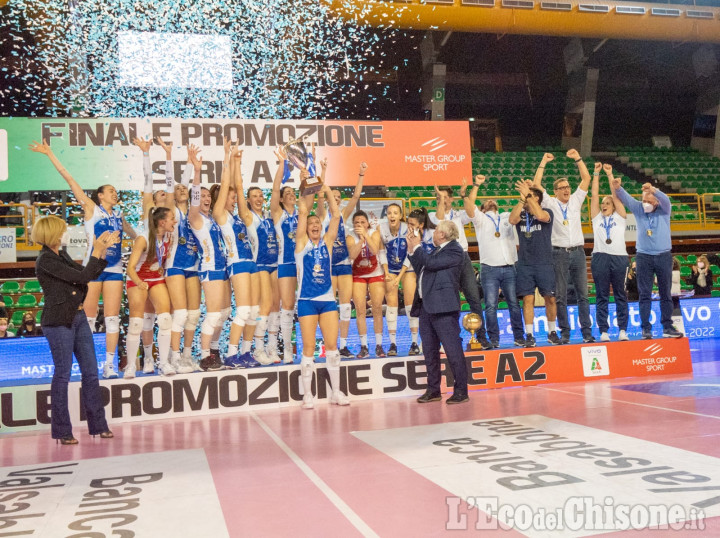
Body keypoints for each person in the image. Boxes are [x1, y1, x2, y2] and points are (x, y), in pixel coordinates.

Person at [30, 139, 137, 379]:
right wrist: (49, 154)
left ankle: (109, 365)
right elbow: (69, 179)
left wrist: (143, 241)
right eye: (110, 190)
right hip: (93, 268)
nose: (114, 193)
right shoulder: (91, 209)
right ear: (100, 195)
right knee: (86, 319)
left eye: (115, 191)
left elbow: (135, 235)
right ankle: (86, 365)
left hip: (115, 267)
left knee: (112, 319)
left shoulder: (119, 214)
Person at [33, 215, 115, 445]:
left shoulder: (62, 254)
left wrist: (102, 252)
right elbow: (81, 276)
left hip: (78, 317)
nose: (66, 233)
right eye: (63, 230)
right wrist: (96, 251)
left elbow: (86, 276)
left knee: (90, 372)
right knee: (63, 374)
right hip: (58, 321)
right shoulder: (46, 259)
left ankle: (99, 426)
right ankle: (62, 431)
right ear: (53, 233)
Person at [295, 185, 349, 409]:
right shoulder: (301, 243)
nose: (315, 225)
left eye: (318, 223)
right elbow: (301, 211)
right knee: (308, 348)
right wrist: (305, 188)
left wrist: (326, 190)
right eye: (311, 223)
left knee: (332, 347)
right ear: (306, 228)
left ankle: (336, 392)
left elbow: (336, 215)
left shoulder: (327, 243)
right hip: (307, 301)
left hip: (327, 300)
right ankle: (307, 395)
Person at [533, 150, 593, 344]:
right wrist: (543, 161)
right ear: (556, 191)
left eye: (567, 186)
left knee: (583, 294)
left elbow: (586, 178)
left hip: (578, 252)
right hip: (558, 253)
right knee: (560, 295)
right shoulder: (549, 202)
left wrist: (578, 158)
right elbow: (536, 185)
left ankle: (586, 333)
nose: (567, 190)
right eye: (562, 187)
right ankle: (565, 333)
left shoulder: (576, 199)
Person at [612, 177, 683, 338]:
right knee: (644, 293)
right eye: (643, 200)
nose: (645, 203)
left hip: (663, 255)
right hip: (644, 256)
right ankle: (646, 329)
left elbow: (666, 199)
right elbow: (627, 199)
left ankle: (667, 326)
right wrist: (618, 188)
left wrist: (653, 190)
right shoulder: (639, 209)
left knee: (665, 292)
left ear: (656, 202)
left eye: (648, 200)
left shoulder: (664, 210)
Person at [407, 220, 468, 404]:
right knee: (430, 351)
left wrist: (418, 246)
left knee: (453, 351)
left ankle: (461, 391)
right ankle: (433, 389)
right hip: (427, 307)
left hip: (444, 308)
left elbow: (430, 264)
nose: (432, 235)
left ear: (442, 234)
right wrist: (412, 250)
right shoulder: (436, 251)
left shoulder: (455, 250)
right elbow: (423, 268)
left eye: (435, 232)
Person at [214, 141, 263, 368]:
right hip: (237, 264)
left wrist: (237, 163)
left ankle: (245, 352)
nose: (234, 200)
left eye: (235, 198)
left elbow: (237, 186)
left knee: (254, 311)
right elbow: (227, 186)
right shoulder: (220, 215)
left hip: (251, 262)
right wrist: (227, 158)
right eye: (231, 198)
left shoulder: (236, 217)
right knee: (243, 310)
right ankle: (230, 355)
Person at [464, 174, 525, 347]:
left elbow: (516, 217)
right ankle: (494, 340)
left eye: (493, 201)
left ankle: (519, 337)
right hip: (489, 268)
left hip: (509, 266)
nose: (491, 201)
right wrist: (476, 185)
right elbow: (469, 207)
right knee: (491, 306)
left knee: (514, 304)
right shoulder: (480, 219)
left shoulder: (507, 216)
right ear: (482, 209)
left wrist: (521, 198)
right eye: (487, 202)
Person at [315, 162, 365, 358]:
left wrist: (360, 175)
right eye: (331, 197)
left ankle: (342, 346)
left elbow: (356, 196)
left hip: (343, 264)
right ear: (328, 200)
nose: (334, 200)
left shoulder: (343, 215)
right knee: (328, 306)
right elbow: (319, 194)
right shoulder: (322, 215)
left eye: (337, 198)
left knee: (345, 307)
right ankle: (327, 346)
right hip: (327, 266)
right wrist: (324, 172)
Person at [431, 185, 489, 348]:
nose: (441, 201)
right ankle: (453, 338)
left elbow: (471, 213)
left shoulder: (458, 215)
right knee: (450, 301)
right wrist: (440, 203)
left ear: (451, 199)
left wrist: (466, 193)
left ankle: (481, 336)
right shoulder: (432, 215)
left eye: (444, 197)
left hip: (462, 257)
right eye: (438, 198)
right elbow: (440, 221)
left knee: (474, 298)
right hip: (445, 258)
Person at [188, 146, 229, 370]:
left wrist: (227, 159)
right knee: (213, 314)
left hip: (221, 268)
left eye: (206, 195)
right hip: (210, 268)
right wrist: (197, 172)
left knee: (224, 313)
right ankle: (204, 357)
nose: (205, 198)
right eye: (201, 195)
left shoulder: (211, 218)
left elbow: (220, 195)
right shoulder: (195, 218)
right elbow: (194, 201)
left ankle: (214, 350)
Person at [124, 206, 177, 378]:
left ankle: (163, 363)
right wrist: (139, 283)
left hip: (155, 278)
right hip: (137, 278)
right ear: (162, 222)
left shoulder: (168, 235)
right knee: (137, 323)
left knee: (165, 319)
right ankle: (131, 365)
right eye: (171, 219)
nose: (175, 222)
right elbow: (130, 268)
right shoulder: (143, 238)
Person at [163, 145, 202, 373]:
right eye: (178, 189)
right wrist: (169, 156)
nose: (181, 189)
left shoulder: (194, 212)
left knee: (194, 314)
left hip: (194, 265)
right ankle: (173, 357)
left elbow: (189, 187)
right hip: (175, 264)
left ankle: (187, 355)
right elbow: (171, 186)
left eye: (183, 188)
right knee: (180, 313)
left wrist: (191, 164)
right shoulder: (171, 210)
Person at [509, 180, 559, 347]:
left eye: (530, 195)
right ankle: (529, 334)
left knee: (550, 298)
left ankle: (552, 332)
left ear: (537, 198)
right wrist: (522, 199)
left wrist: (528, 196)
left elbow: (541, 216)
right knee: (528, 299)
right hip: (525, 264)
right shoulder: (522, 213)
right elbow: (512, 220)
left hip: (544, 263)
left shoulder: (547, 211)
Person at [591, 164, 629, 342]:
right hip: (600, 257)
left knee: (621, 294)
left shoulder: (620, 217)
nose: (604, 205)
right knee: (602, 295)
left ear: (613, 206)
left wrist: (610, 174)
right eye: (603, 203)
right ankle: (604, 331)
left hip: (620, 258)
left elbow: (616, 195)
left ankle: (622, 329)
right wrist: (596, 174)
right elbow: (594, 195)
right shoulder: (597, 218)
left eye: (608, 203)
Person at [271, 146, 300, 364]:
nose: (291, 195)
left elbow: (309, 192)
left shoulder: (303, 212)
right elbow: (274, 190)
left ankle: (309, 347)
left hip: (305, 264)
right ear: (281, 200)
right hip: (286, 264)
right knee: (287, 306)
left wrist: (306, 169)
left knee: (307, 304)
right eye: (287, 193)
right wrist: (282, 166)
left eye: (293, 193)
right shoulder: (278, 214)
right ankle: (287, 350)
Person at [378, 202, 417, 356]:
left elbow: (411, 253)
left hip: (407, 268)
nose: (392, 215)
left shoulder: (409, 229)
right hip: (390, 268)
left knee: (409, 304)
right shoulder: (381, 229)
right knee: (392, 304)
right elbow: (381, 252)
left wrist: (399, 276)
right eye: (389, 213)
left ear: (401, 216)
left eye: (395, 213)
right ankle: (393, 344)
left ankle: (414, 342)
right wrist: (387, 273)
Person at [347, 210, 386, 358]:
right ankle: (364, 346)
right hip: (358, 274)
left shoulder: (374, 233)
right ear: (353, 224)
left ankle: (379, 345)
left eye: (363, 222)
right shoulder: (350, 237)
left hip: (375, 273)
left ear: (368, 223)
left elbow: (374, 250)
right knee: (360, 310)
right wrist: (361, 239)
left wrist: (366, 236)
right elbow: (352, 254)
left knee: (376, 307)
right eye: (357, 222)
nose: (360, 225)